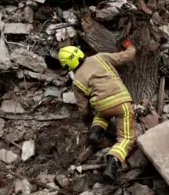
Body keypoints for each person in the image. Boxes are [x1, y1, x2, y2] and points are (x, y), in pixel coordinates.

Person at [58, 40, 138, 181]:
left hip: (102, 106)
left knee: (101, 113)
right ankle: (113, 162)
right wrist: (130, 46)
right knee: (127, 138)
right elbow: (126, 56)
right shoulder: (100, 57)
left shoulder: (76, 80)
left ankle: (96, 131)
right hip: (121, 101)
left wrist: (87, 117)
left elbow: (83, 108)